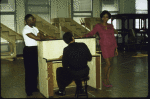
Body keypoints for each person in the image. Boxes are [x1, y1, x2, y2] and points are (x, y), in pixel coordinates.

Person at [80, 10, 118, 87]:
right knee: (108, 63)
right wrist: (83, 35)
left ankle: (107, 79)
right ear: (101, 17)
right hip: (104, 46)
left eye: (107, 17)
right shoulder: (98, 26)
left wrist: (116, 48)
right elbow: (92, 33)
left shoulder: (111, 26)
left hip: (112, 46)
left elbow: (113, 37)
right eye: (103, 16)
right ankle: (104, 79)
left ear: (108, 18)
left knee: (109, 65)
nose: (105, 18)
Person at [22, 14, 55, 96]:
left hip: (36, 49)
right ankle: (28, 90)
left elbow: (41, 36)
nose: (34, 20)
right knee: (29, 71)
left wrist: (45, 36)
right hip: (29, 50)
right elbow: (37, 38)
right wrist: (47, 37)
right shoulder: (25, 29)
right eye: (33, 19)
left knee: (35, 70)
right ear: (28, 21)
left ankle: (34, 87)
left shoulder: (35, 28)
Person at [55, 32, 92, 96]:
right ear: (73, 38)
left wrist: (64, 57)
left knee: (59, 70)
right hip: (85, 71)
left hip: (75, 73)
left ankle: (61, 90)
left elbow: (65, 65)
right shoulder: (83, 45)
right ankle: (80, 88)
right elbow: (90, 58)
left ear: (65, 41)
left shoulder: (66, 50)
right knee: (77, 69)